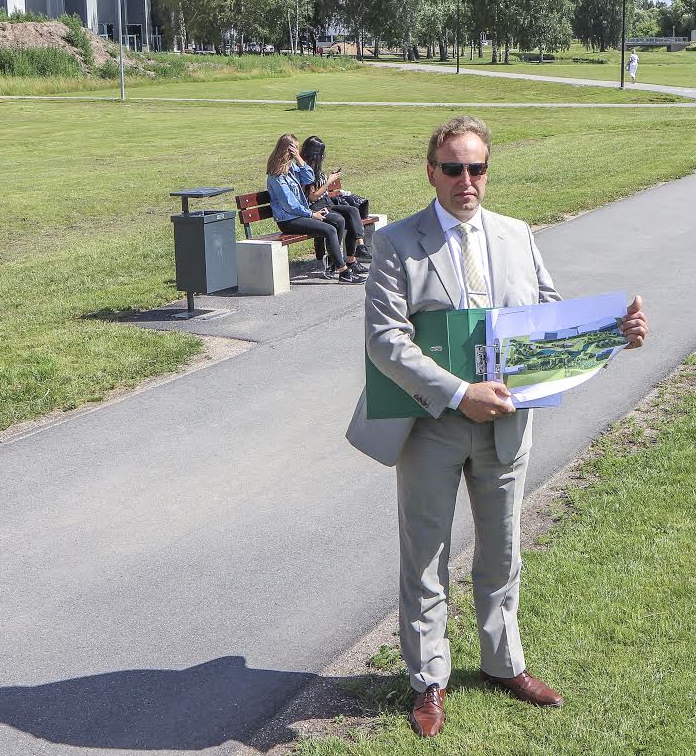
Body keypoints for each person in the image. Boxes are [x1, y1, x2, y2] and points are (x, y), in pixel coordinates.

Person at [345, 116, 649, 738]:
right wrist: (460, 392)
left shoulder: (517, 235)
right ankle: (429, 679)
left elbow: (546, 322)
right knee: (425, 555)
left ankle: (502, 663)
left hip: (507, 426)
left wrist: (612, 335)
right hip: (431, 425)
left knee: (502, 548)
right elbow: (384, 341)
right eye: (453, 168)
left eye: (476, 168)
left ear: (488, 172)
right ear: (431, 172)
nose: (466, 181)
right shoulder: (397, 242)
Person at [265, 134, 366, 284]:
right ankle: (344, 272)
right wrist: (312, 214)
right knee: (329, 229)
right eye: (295, 149)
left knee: (337, 222)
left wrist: (299, 159)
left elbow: (309, 178)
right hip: (288, 220)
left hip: (300, 215)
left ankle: (336, 264)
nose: (298, 151)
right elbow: (290, 205)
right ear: (288, 150)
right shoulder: (277, 176)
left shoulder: (292, 168)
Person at [299, 135, 372, 275]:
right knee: (340, 220)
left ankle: (358, 250)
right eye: (321, 154)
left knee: (352, 211)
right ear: (315, 153)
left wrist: (329, 178)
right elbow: (312, 196)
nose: (322, 157)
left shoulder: (315, 166)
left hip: (327, 202)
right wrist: (329, 181)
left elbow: (320, 189)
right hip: (316, 207)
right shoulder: (305, 169)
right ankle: (336, 261)